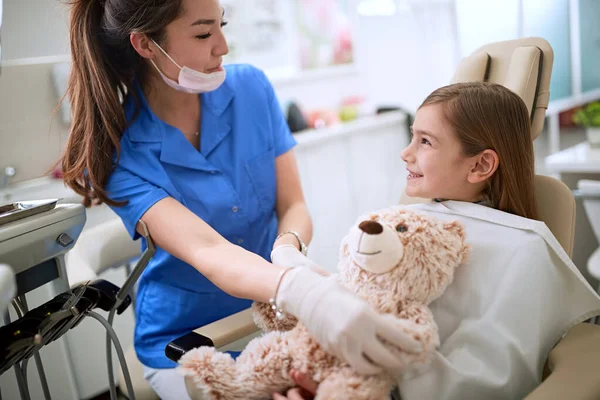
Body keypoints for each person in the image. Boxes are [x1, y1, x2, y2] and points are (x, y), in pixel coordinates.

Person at [60, 0, 422, 399]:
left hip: (275, 317)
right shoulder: (117, 152)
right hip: (187, 341)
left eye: (222, 25)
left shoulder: (250, 88)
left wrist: (289, 247)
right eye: (203, 33)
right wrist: (304, 292)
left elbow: (293, 206)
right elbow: (210, 250)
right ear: (145, 44)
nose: (223, 46)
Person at [274, 82, 600, 399]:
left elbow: (483, 381)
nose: (405, 153)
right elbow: (360, 294)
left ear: (480, 164)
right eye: (412, 137)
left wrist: (361, 382)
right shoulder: (410, 222)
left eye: (425, 142)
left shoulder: (523, 250)